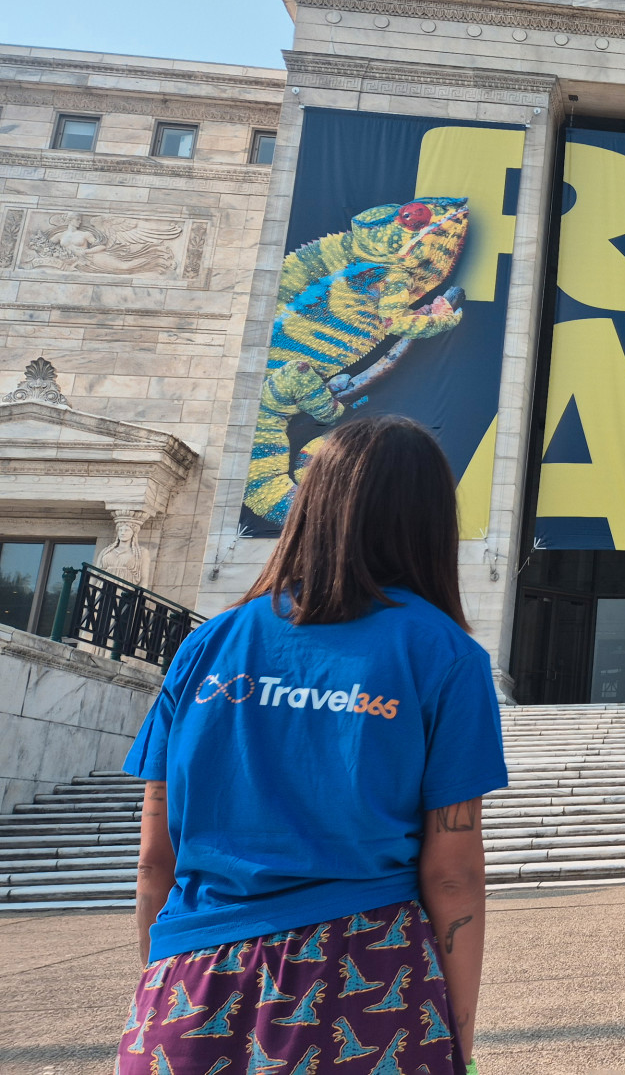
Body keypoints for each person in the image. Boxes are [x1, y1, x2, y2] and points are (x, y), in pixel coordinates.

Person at [117, 415, 508, 1075]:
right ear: (430, 522)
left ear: (312, 502)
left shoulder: (207, 646)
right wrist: (454, 1040)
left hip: (188, 982)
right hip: (366, 974)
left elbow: (157, 860)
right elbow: (453, 875)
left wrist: (165, 988)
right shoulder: (445, 656)